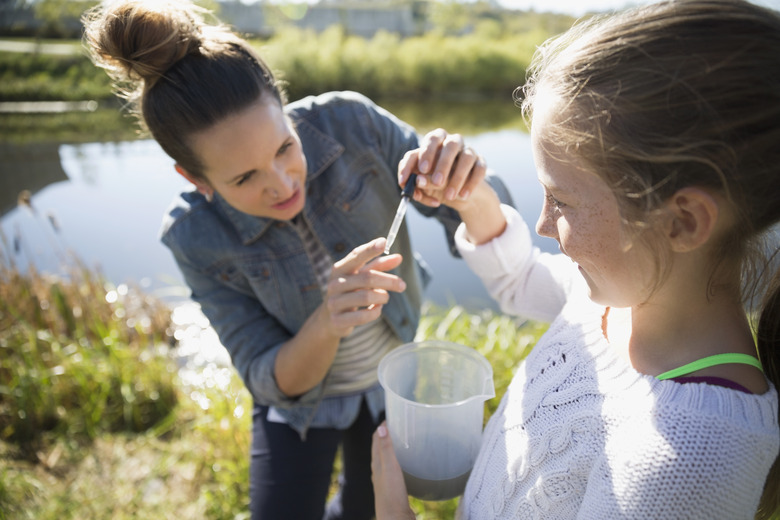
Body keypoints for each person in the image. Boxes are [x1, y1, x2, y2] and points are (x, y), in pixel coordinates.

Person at [81, 1, 512, 519]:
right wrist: (328, 321)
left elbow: (484, 228)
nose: (284, 184)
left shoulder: (352, 123)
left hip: (388, 387)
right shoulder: (193, 236)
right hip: (299, 404)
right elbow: (268, 377)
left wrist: (465, 187)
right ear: (195, 180)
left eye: (285, 147)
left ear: (286, 108)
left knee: (361, 509)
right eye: (244, 178)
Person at [371, 0, 780, 518]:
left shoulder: (689, 461)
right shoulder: (616, 300)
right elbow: (520, 278)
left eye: (561, 200)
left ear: (683, 222)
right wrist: (470, 199)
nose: (543, 224)